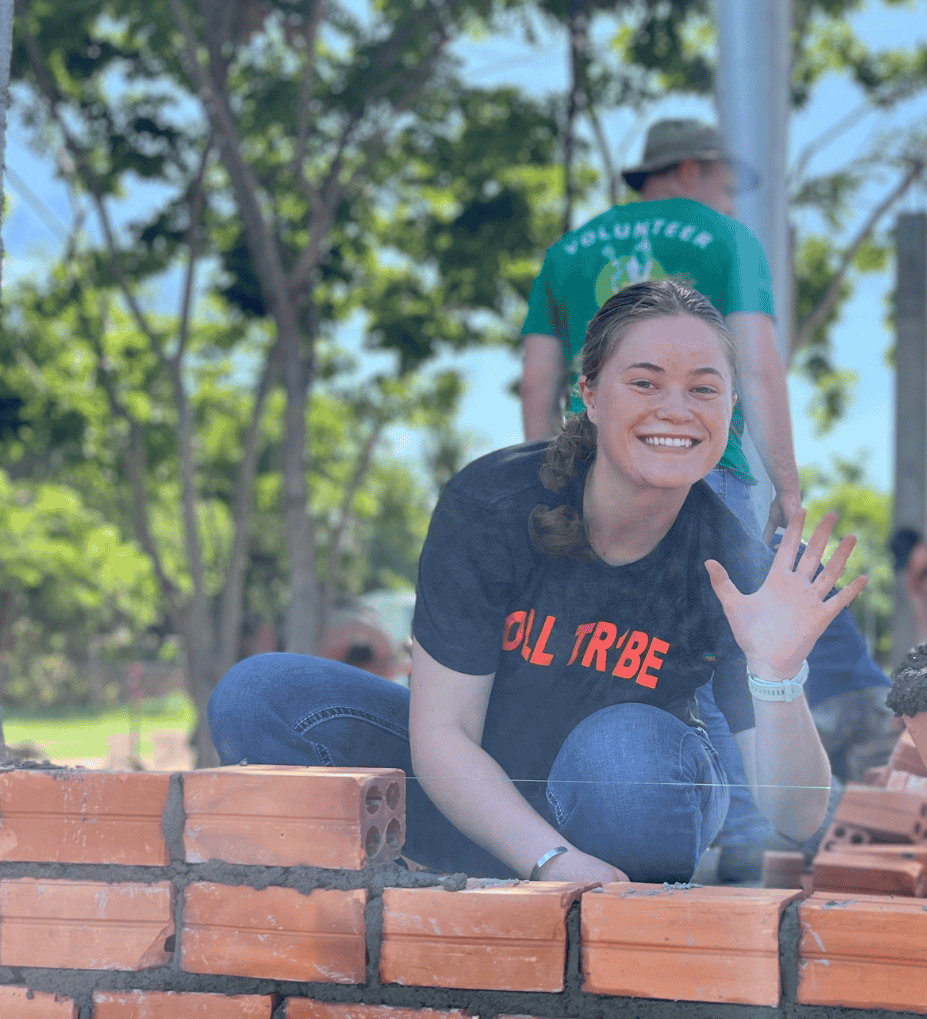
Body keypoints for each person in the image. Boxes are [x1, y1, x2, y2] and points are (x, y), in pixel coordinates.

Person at [209, 280, 865, 884]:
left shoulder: (732, 564)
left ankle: (607, 930)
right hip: (476, 794)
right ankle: (399, 904)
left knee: (625, 759)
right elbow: (443, 732)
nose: (676, 409)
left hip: (622, 811)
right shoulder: (493, 504)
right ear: (591, 394)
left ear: (731, 408)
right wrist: (549, 860)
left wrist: (777, 675)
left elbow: (797, 815)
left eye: (704, 389)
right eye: (645, 382)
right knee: (260, 695)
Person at [519, 118, 890, 877]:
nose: (729, 196)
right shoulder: (725, 239)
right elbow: (757, 364)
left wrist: (546, 479)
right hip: (698, 469)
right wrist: (787, 484)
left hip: (593, 480)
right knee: (726, 661)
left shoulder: (569, 251)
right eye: (725, 179)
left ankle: (622, 832)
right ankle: (738, 851)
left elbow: (536, 380)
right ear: (690, 170)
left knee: (617, 656)